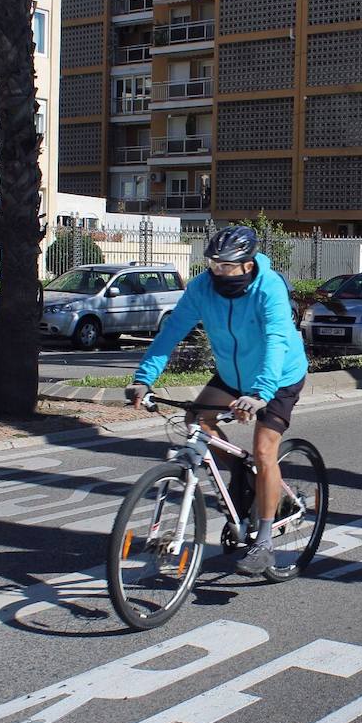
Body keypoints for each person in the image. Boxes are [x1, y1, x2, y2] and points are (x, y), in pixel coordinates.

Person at [126, 225, 309, 575]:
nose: (217, 270)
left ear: (246, 264)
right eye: (213, 263)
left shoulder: (267, 288)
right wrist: (143, 379)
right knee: (196, 420)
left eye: (225, 265)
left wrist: (259, 394)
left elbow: (275, 341)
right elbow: (172, 331)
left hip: (279, 376)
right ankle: (245, 476)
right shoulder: (201, 288)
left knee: (265, 450)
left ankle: (264, 542)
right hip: (232, 375)